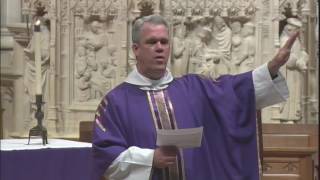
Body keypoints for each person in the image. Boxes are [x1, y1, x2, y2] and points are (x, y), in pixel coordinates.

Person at [92, 15, 299, 180]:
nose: (159, 48)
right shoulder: (115, 102)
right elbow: (105, 159)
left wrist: (271, 67)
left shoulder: (194, 88)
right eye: (152, 42)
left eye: (164, 42)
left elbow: (235, 92)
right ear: (136, 49)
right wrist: (150, 158)